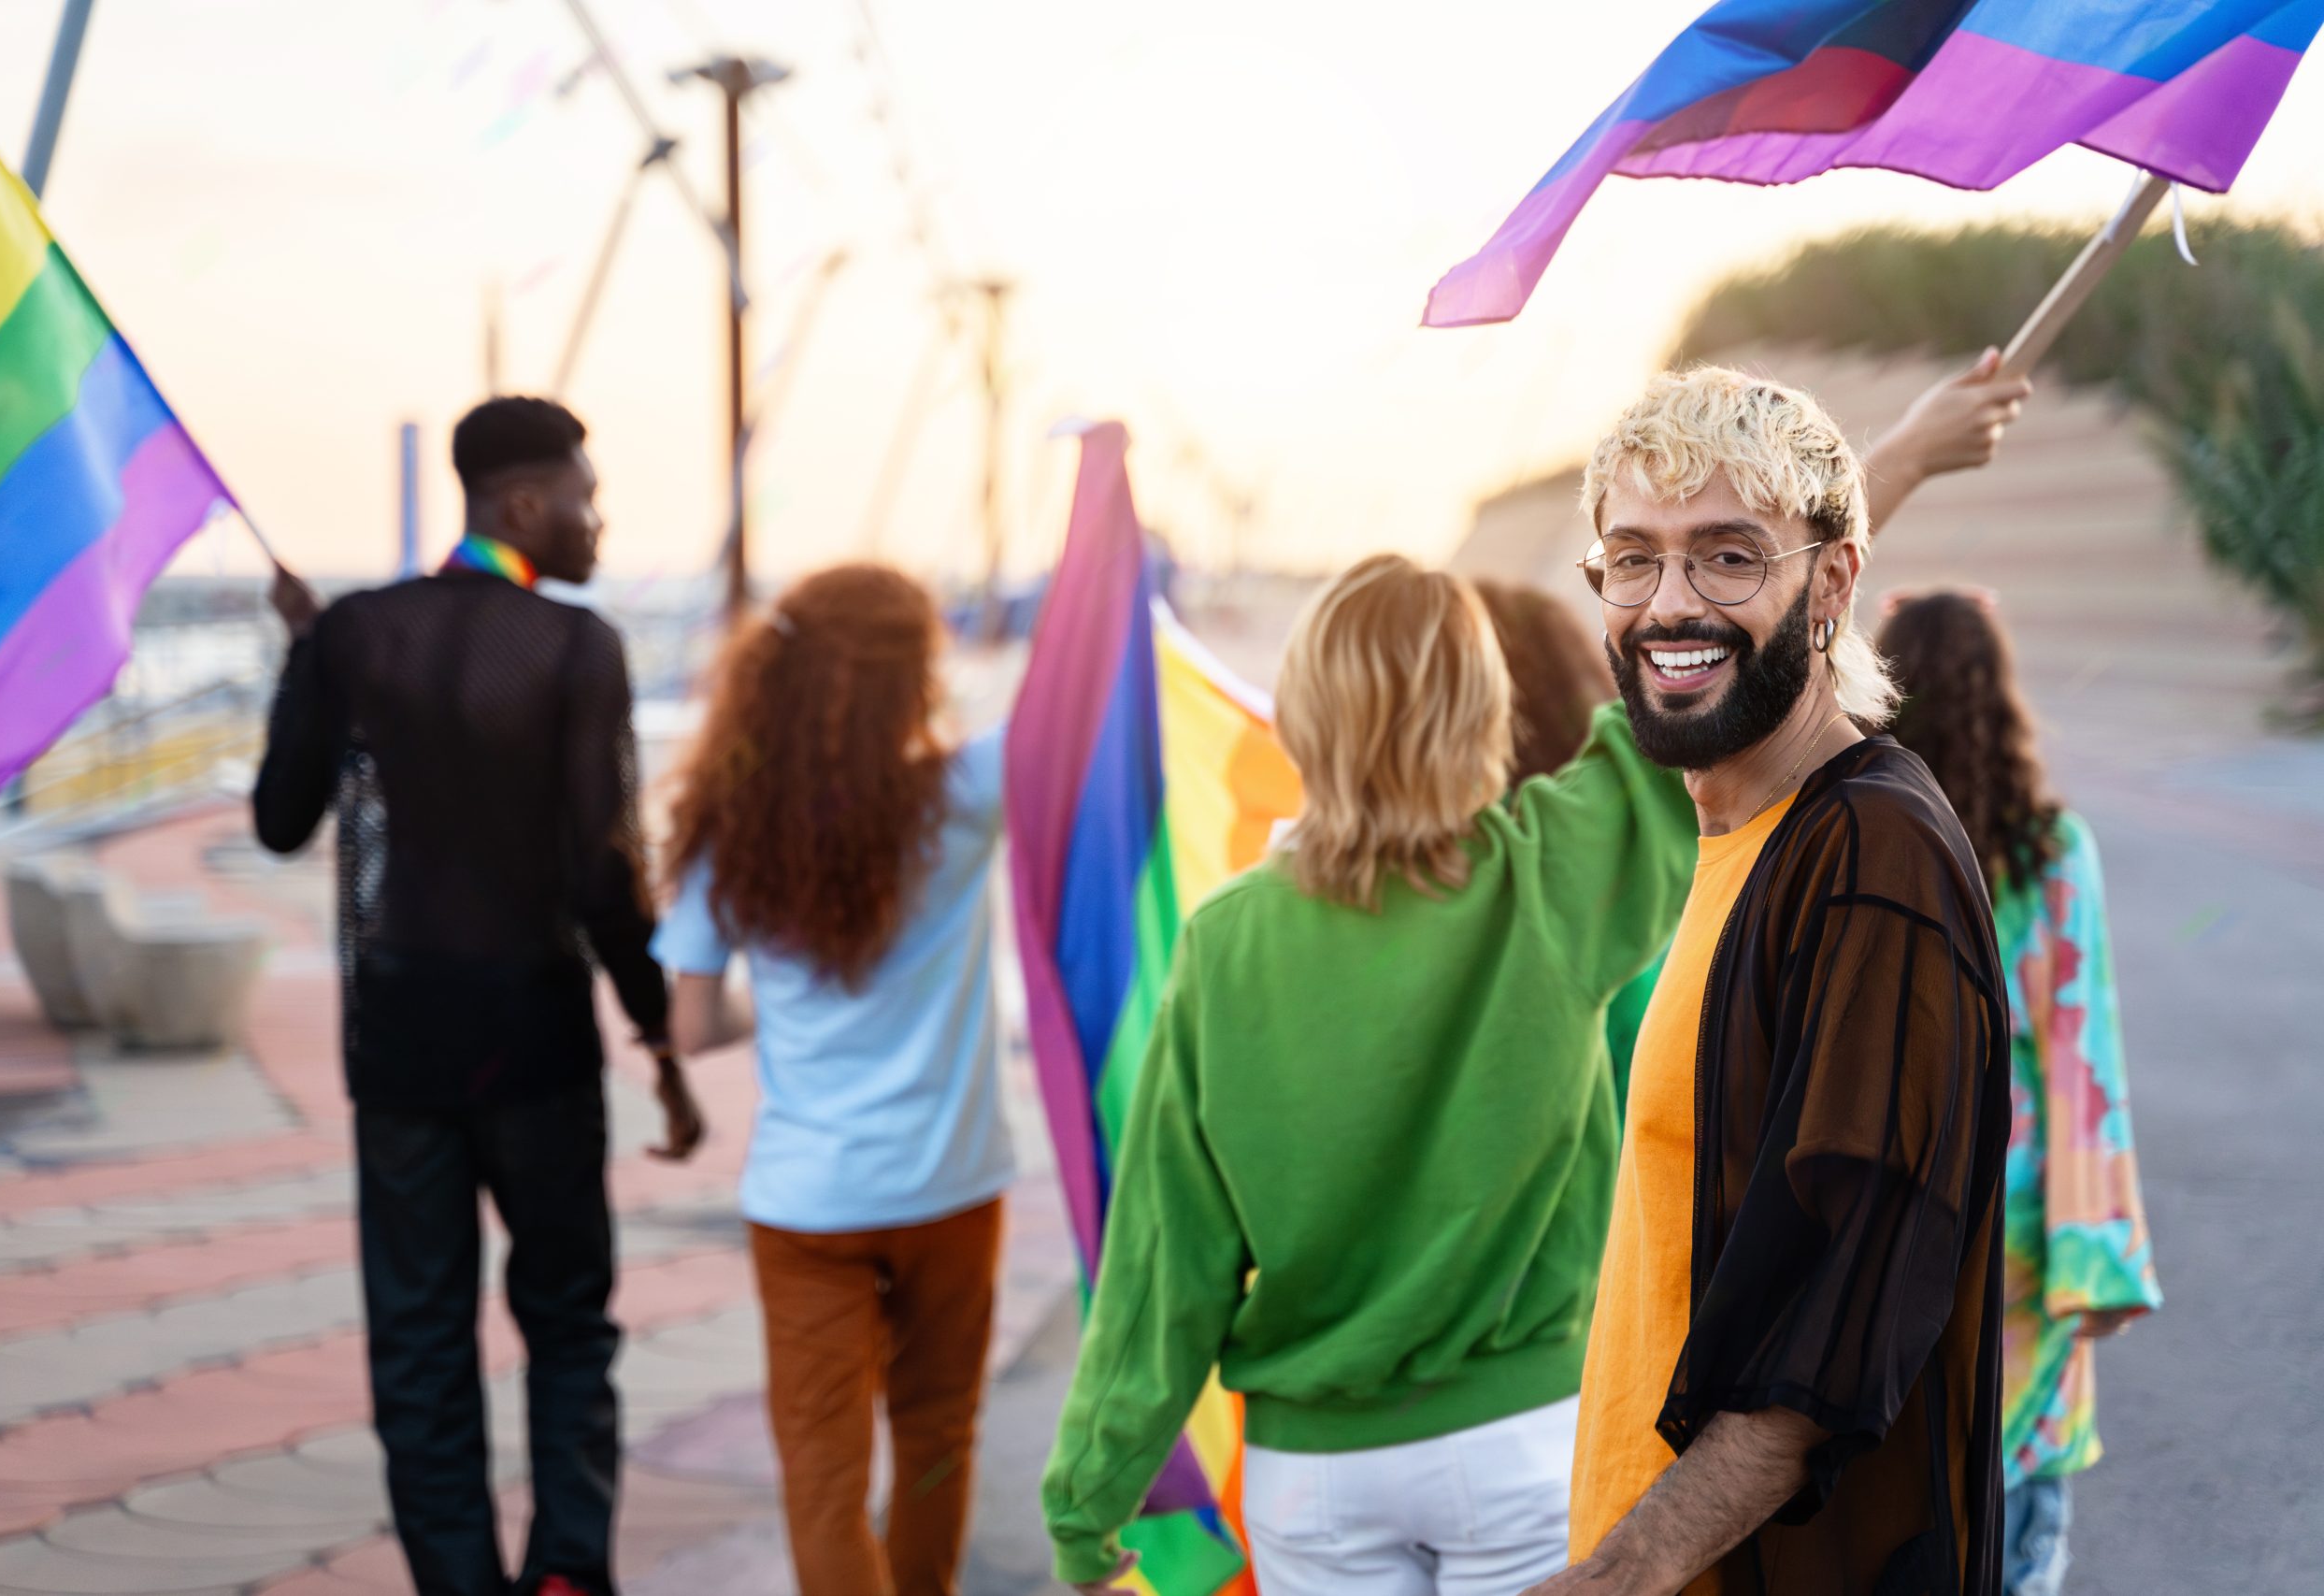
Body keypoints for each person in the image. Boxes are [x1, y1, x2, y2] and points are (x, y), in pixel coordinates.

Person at [1044, 554, 1698, 1595]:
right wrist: (1869, 489)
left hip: (1316, 1478)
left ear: (1303, 717)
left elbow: (1167, 1262)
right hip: (1522, 1441)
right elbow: (1682, 702)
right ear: (1482, 716)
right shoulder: (1549, 878)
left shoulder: (1223, 947)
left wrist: (1088, 1502)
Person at [1550, 367, 2011, 1596]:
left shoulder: (1874, 859)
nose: (1670, 603)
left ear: (1834, 581)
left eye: (1728, 558)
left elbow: (1840, 1301)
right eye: (1633, 558)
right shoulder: (1738, 825)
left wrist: (1621, 1570)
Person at [253, 396, 695, 1596]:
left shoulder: (357, 634)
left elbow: (278, 820)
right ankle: (564, 1578)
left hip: (398, 1035)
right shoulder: (576, 648)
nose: (597, 522)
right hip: (534, 1037)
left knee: (418, 1342)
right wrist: (656, 1030)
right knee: (567, 1325)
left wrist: (306, 653)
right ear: (521, 504)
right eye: (584, 498)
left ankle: (458, 1585)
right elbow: (603, 874)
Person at [650, 563, 1013, 1596]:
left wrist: (787, 1004)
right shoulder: (967, 793)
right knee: (939, 1433)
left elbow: (688, 1022)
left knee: (823, 1486)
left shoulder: (734, 832)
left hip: (808, 1207)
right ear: (913, 679)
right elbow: (1082, 700)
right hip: (952, 1188)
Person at [1876, 591, 2161, 1596]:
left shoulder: (1864, 846)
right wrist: (2098, 1255)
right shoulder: (2046, 855)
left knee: (1894, 1504)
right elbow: (2085, 1063)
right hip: (2021, 1233)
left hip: (1885, 1225)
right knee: (2018, 1530)